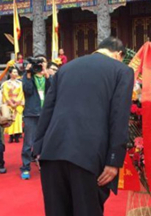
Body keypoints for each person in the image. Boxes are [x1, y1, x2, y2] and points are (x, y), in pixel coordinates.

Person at [33, 37, 134, 216]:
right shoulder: (122, 71)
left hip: (51, 153)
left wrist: (39, 148)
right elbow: (119, 117)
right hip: (88, 156)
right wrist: (113, 160)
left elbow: (47, 109)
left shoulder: (66, 68)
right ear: (119, 54)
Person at [20, 55, 51, 180]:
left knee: (46, 141)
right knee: (28, 142)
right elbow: (27, 91)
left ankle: (45, 166)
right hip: (31, 113)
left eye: (42, 62)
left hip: (46, 113)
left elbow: (54, 88)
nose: (39, 66)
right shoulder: (28, 77)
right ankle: (26, 167)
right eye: (37, 64)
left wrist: (46, 74)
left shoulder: (47, 76)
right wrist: (28, 73)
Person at [2, 66, 24, 143]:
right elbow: (5, 93)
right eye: (14, 72)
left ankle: (17, 135)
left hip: (18, 103)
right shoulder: (6, 83)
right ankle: (11, 136)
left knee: (17, 120)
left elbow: (21, 93)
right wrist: (10, 102)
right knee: (10, 119)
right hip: (9, 103)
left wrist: (18, 102)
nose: (16, 73)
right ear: (10, 73)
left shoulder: (20, 83)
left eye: (16, 72)